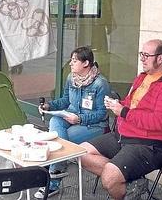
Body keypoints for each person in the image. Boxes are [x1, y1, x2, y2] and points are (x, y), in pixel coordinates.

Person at [79, 39, 162, 200]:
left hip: (149, 145)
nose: (142, 58)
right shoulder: (142, 78)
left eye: (147, 55)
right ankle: (133, 183)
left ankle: (119, 180)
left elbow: (160, 122)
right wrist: (117, 105)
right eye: (142, 54)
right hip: (122, 135)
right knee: (81, 153)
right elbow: (130, 104)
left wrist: (124, 112)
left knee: (110, 178)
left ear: (160, 59)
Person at [34, 46, 110, 198]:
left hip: (94, 125)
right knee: (56, 122)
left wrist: (80, 119)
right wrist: (50, 105)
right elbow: (65, 100)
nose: (70, 63)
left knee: (58, 141)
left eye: (74, 61)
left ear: (86, 63)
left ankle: (52, 182)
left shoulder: (100, 84)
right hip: (71, 117)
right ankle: (54, 170)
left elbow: (102, 114)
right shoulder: (71, 78)